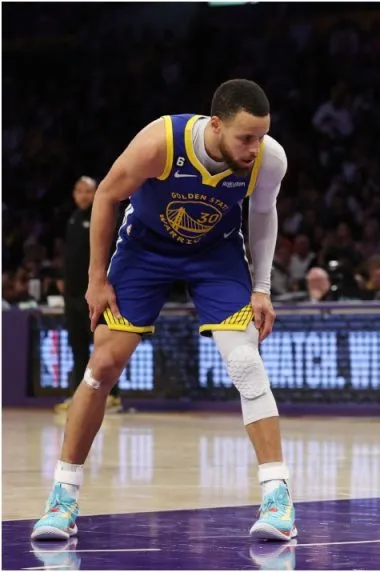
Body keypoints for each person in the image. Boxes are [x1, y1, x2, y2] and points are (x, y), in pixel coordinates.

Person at [31, 79, 297, 543]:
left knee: (246, 363)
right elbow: (107, 195)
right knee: (102, 368)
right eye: (246, 138)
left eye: (261, 136)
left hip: (215, 253)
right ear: (216, 125)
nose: (256, 147)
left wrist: (262, 287)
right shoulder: (160, 142)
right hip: (146, 250)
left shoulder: (269, 159)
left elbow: (262, 214)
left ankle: (278, 499)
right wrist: (96, 279)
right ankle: (62, 498)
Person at [57, 176, 123, 414]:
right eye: (78, 191)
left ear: (96, 193)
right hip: (72, 297)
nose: (82, 196)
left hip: (92, 295)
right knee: (77, 348)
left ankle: (112, 396)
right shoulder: (73, 219)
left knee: (102, 349)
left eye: (87, 191)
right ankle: (77, 397)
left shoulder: (101, 217)